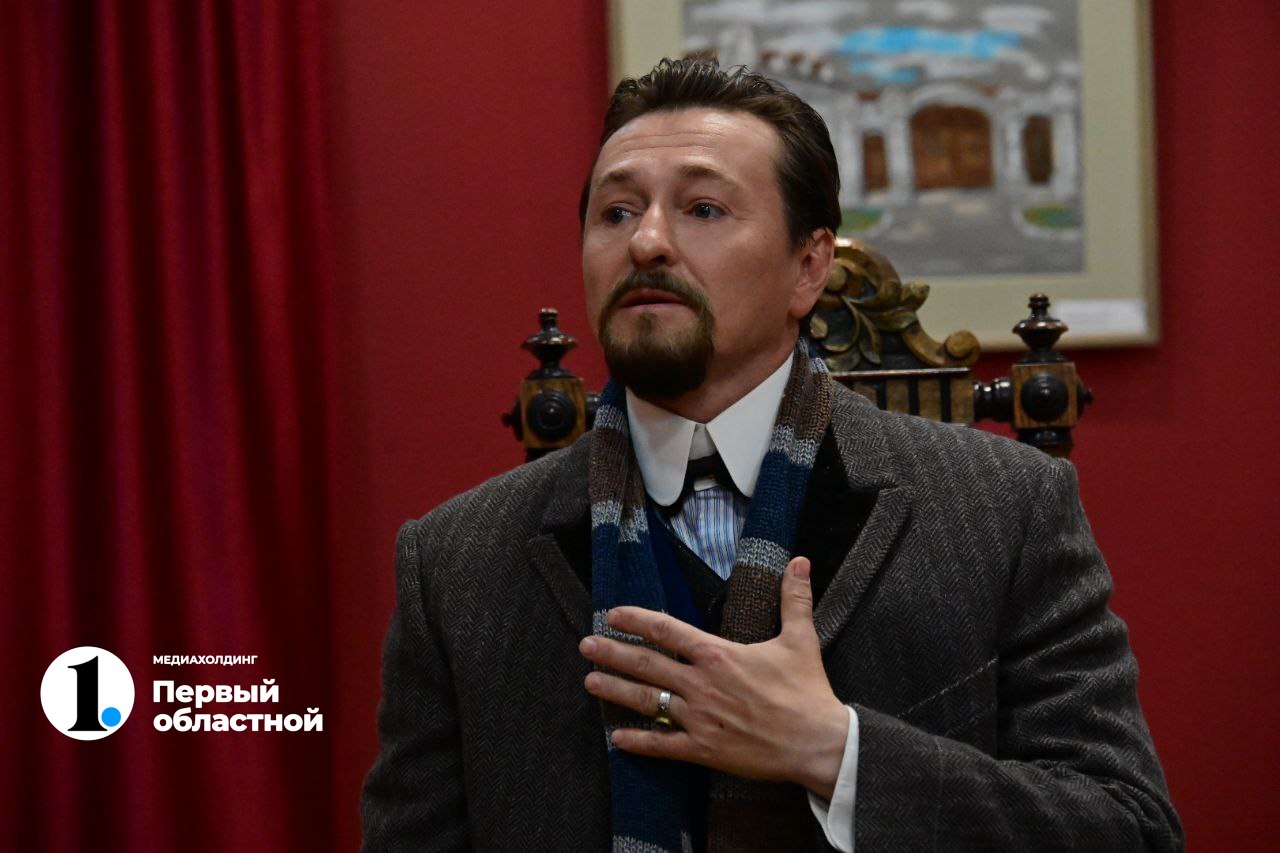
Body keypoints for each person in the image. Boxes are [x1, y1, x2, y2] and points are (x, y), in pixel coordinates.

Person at [361, 58, 1182, 852]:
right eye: (616, 212)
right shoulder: (456, 564)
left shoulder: (1004, 510)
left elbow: (1128, 827)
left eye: (703, 208)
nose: (647, 241)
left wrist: (836, 752)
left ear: (809, 266)